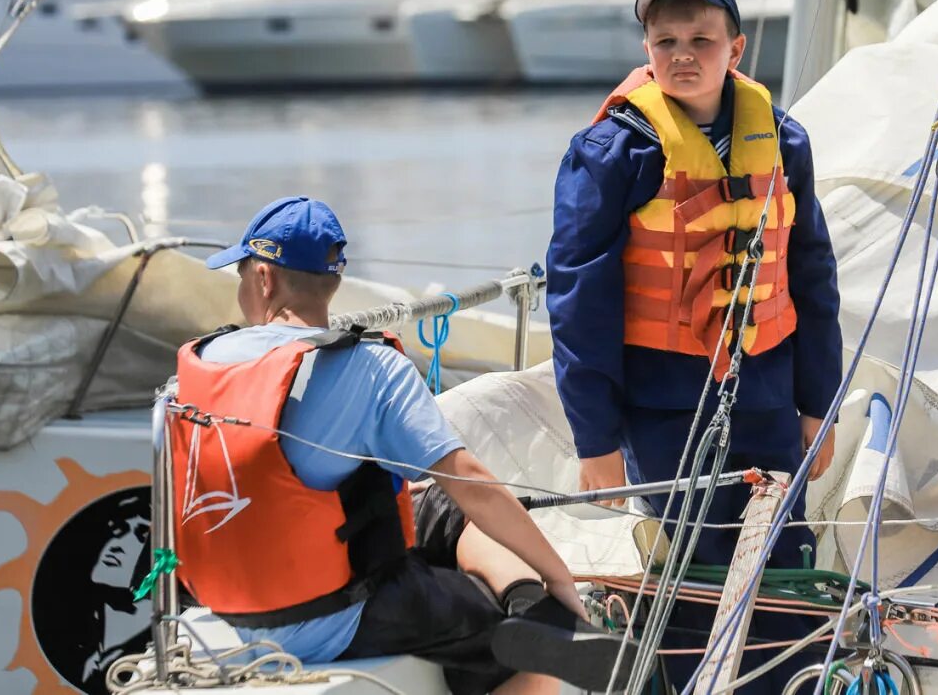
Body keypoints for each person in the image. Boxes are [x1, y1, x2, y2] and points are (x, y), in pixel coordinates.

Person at [169, 197, 629, 695]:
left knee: (434, 503)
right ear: (335, 282)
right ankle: (540, 615)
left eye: (239, 274)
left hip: (226, 606)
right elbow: (469, 480)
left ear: (263, 278)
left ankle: (526, 605)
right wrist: (557, 576)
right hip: (331, 619)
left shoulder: (201, 363)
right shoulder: (370, 365)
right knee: (508, 639)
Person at [547, 0, 843, 694]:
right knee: (686, 573)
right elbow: (577, 297)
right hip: (663, 407)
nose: (684, 53)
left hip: (770, 397)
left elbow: (813, 274)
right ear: (646, 49)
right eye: (666, 40)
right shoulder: (615, 151)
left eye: (701, 39)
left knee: (778, 562)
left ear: (735, 48)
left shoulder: (782, 140)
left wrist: (820, 404)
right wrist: (595, 442)